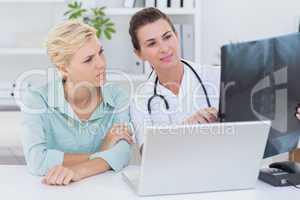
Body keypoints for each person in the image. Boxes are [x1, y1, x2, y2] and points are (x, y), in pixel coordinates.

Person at [18, 21, 133, 185]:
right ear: (64, 68)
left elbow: (123, 153)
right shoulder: (37, 100)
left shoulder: (117, 97)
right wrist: (103, 152)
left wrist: (78, 171)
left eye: (101, 52)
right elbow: (37, 161)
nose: (101, 63)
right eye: (88, 60)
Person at [129, 7, 221, 152]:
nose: (164, 48)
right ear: (139, 54)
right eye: (152, 43)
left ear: (177, 36)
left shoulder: (215, 76)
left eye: (167, 37)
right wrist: (183, 130)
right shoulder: (140, 101)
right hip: (172, 173)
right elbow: (148, 156)